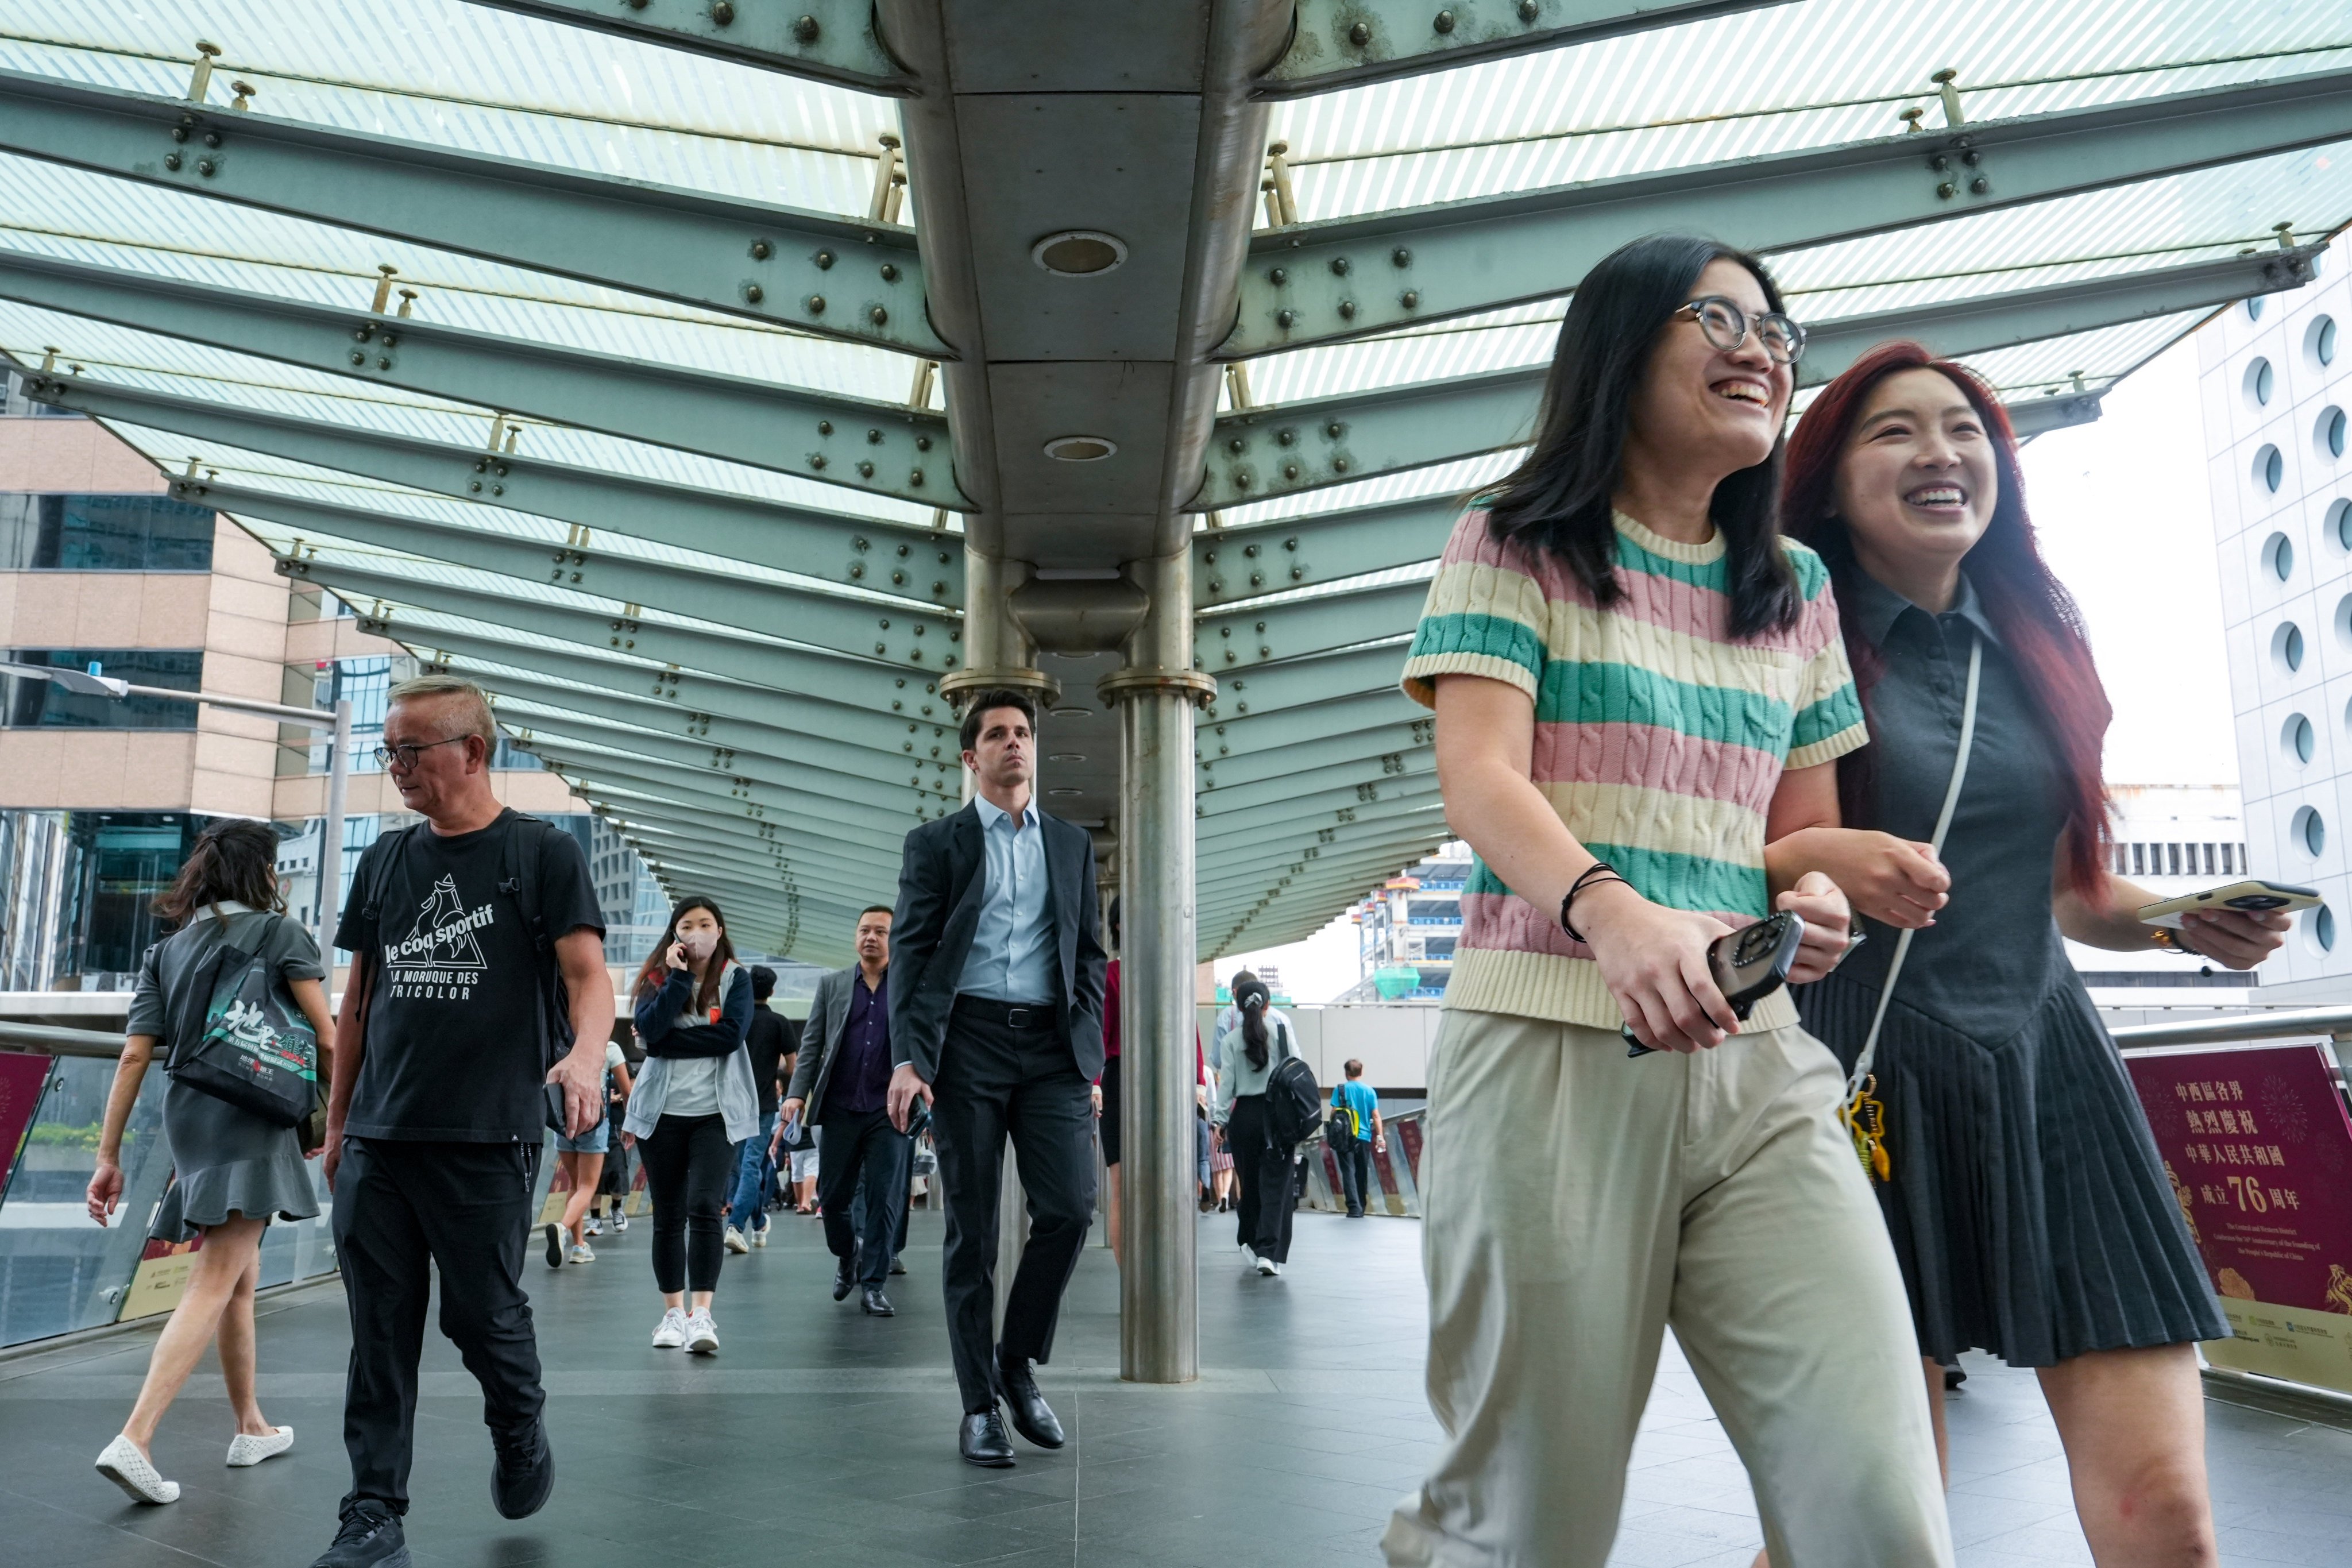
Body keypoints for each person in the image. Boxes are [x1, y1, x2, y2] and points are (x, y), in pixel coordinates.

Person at [1383, 235, 1953, 1568]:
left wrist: (1817, 901)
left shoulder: (1794, 591)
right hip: (1547, 1061)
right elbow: (1481, 780)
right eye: (1720, 318)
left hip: (1759, 1071)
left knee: (1877, 1507)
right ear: (1621, 347)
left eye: (1777, 329)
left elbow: (1792, 843)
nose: (1762, 349)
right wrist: (1613, 912)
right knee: (1528, 1527)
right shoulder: (1514, 544)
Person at [1763, 341, 2288, 1568]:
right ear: (1829, 482)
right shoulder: (1784, 632)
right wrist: (1828, 855)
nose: (1940, 453)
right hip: (1858, 1073)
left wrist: (2180, 917)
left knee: (2166, 1517)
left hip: (2052, 1070)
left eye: (1962, 429)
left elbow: (2070, 891)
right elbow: (1736, 851)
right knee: (1865, 1532)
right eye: (1892, 433)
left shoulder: (2041, 646)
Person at [315, 674, 613, 1568]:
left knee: (481, 1318)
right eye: (389, 750)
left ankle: (518, 1420)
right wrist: (338, 1126)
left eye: (412, 750)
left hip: (488, 1134)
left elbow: (588, 978)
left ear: (471, 752)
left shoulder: (540, 853)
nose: (396, 767)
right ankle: (373, 1510)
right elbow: (359, 1002)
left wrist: (586, 1055)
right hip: (380, 1136)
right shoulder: (385, 859)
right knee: (380, 1331)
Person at [884, 688, 1109, 1468]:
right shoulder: (936, 844)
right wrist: (909, 1060)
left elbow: (1089, 952)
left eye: (1021, 733)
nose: (1012, 743)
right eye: (996, 734)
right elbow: (909, 957)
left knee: (1072, 1208)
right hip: (966, 1045)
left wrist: (1087, 1052)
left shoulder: (1072, 846)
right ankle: (978, 1404)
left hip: (1050, 1050)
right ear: (969, 756)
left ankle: (1016, 1358)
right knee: (972, 1231)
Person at [84, 820, 331, 1504]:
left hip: (190, 1118)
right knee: (215, 1278)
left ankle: (250, 1424)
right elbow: (330, 1038)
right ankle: (135, 1437)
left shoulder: (166, 951)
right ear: (263, 875)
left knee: (237, 1279)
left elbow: (135, 1054)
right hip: (252, 1116)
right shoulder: (282, 935)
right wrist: (333, 1117)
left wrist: (108, 1158)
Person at [625, 895, 756, 1354]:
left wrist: (667, 1040)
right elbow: (648, 1032)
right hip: (660, 1114)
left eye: (705, 924)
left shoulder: (736, 977)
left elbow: (730, 1035)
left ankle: (703, 1314)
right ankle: (672, 1316)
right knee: (668, 1213)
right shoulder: (658, 978)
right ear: (674, 934)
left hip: (716, 1113)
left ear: (719, 931)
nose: (696, 932)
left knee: (703, 1204)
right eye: (687, 925)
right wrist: (679, 978)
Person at [778, 905, 912, 1316]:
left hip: (889, 1111)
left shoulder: (908, 985)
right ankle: (846, 1254)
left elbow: (926, 1041)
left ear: (895, 938)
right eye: (864, 930)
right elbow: (813, 1044)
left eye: (881, 932)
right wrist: (796, 1094)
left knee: (882, 1199)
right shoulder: (833, 985)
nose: (871, 937)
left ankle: (873, 1285)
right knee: (832, 1198)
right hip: (838, 1107)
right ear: (856, 936)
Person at [1212, 975, 1304, 1275]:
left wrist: (1219, 1122)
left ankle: (1249, 1241)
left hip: (1244, 1119)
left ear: (1238, 1007)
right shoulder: (1281, 1028)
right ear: (1267, 1005)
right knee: (1277, 1185)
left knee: (1250, 1185)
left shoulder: (1230, 1040)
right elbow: (1297, 1066)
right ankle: (1269, 1252)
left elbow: (1226, 1087)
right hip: (1276, 1116)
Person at [724, 965, 796, 1254]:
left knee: (742, 1167)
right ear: (772, 992)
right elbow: (793, 1067)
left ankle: (758, 1221)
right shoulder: (780, 1023)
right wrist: (775, 1067)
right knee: (752, 1166)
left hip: (732, 1103)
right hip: (764, 1104)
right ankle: (735, 1226)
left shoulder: (735, 1020)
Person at [546, 1039, 630, 1266]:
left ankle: (579, 1246)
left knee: (574, 1186)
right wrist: (631, 1125)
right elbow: (626, 1090)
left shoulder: (560, 1043)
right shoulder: (610, 1047)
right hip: (593, 1121)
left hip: (563, 1122)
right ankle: (562, 1227)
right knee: (587, 1186)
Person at [1092, 896, 1125, 1264]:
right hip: (1117, 1082)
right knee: (1123, 1186)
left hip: (1161, 1084)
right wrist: (1094, 1082)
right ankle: (1131, 1281)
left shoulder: (1169, 971)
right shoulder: (1108, 974)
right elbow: (1098, 1034)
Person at [1328, 1058, 1386, 1219]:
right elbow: (1375, 1115)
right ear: (1362, 1072)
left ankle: (1353, 1208)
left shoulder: (1340, 1090)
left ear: (1346, 1073)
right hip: (1364, 1137)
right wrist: (1380, 1136)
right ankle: (1361, 1206)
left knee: (1348, 1171)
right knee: (1361, 1172)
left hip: (1345, 1137)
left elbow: (1333, 1113)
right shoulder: (1369, 1091)